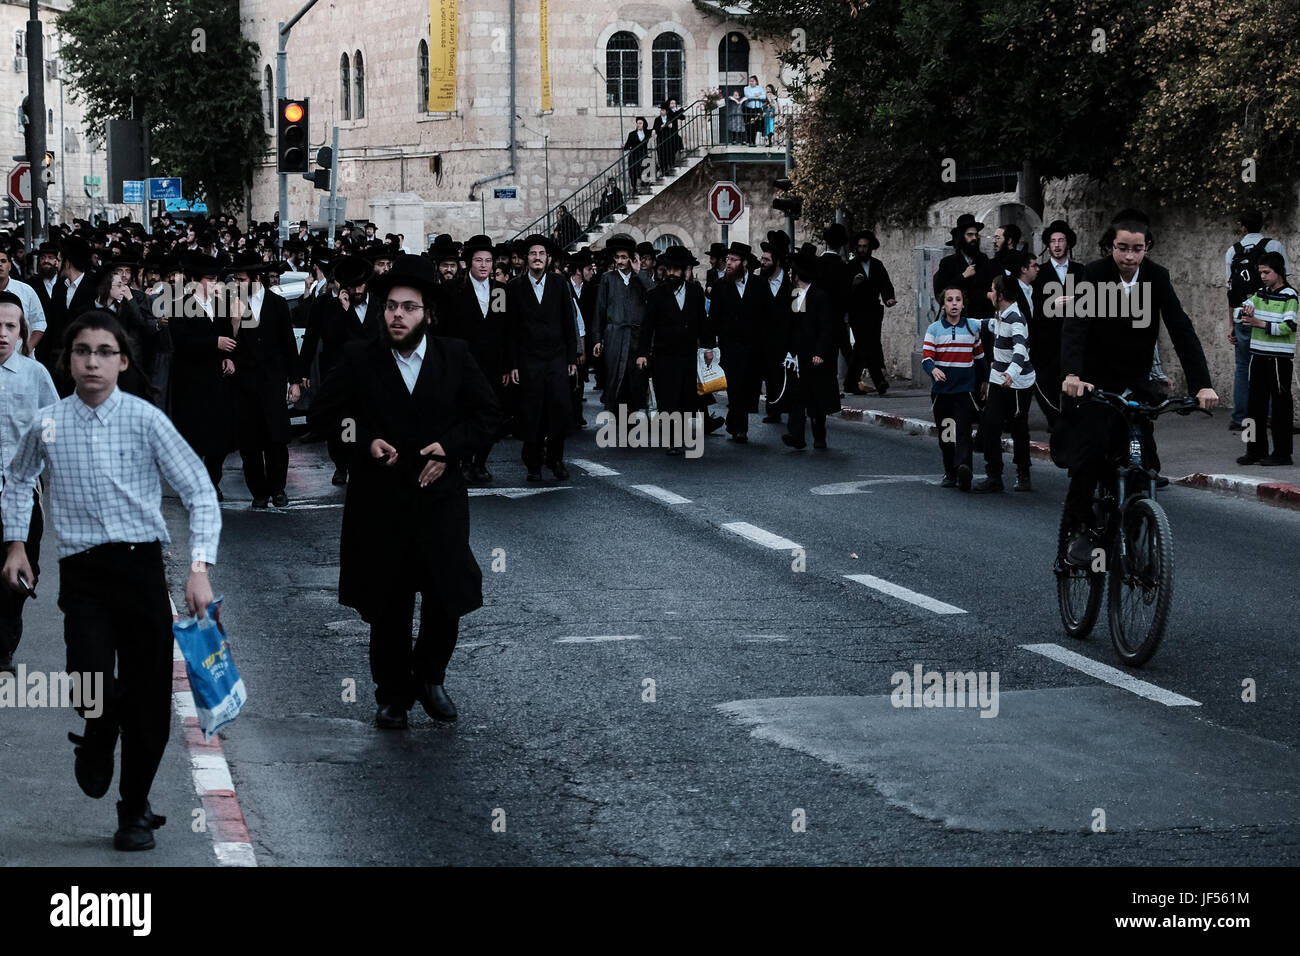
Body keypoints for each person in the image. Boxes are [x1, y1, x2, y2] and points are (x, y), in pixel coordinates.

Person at [2, 310, 221, 851]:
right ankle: (98, 733)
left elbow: (198, 490)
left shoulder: (146, 420)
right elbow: (18, 477)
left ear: (123, 361)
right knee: (88, 682)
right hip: (84, 576)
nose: (92, 361)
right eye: (82, 351)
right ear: (68, 360)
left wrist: (199, 570)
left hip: (141, 569)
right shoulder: (49, 422)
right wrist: (14, 544)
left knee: (149, 699)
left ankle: (133, 811)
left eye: (103, 351)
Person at [317, 256, 500, 729]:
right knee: (389, 603)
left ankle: (431, 676)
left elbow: (488, 417)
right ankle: (392, 695)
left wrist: (450, 451)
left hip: (439, 500)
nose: (398, 315)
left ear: (427, 314)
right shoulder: (361, 357)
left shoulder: (454, 355)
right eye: (392, 307)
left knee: (447, 594)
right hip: (381, 503)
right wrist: (363, 441)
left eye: (409, 308)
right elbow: (328, 415)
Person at [1060, 210, 1218, 566]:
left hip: (1136, 384)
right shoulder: (1095, 274)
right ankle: (1080, 530)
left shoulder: (1156, 278)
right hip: (1092, 383)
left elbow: (1181, 329)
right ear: (1110, 246)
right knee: (1090, 456)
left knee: (1144, 462)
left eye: (1137, 249)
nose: (1129, 257)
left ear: (1147, 248)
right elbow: (1076, 326)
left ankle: (1134, 536)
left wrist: (1202, 385)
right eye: (1122, 248)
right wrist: (1072, 375)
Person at [0, 291, 58, 673]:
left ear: (22, 333)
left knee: (19, 574)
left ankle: (5, 641)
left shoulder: (35, 375)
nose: (2, 334)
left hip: (21, 493)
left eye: (10, 326)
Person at [227, 253, 301, 508]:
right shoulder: (230, 305)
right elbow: (227, 346)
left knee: (276, 439)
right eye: (235, 279)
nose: (236, 283)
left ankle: (278, 489)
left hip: (272, 380)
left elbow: (288, 344)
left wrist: (294, 381)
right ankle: (258, 492)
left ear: (255, 279)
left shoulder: (277, 304)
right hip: (244, 383)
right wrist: (235, 323)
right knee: (249, 442)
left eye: (241, 279)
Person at [298, 254, 377, 485]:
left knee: (365, 424)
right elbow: (317, 338)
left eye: (361, 285)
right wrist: (345, 312)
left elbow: (374, 339)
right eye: (352, 286)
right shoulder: (326, 305)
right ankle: (341, 465)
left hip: (371, 378)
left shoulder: (379, 304)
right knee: (341, 426)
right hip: (339, 378)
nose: (357, 290)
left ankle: (361, 463)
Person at [506, 235, 579, 480]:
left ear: (548, 259)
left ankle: (556, 460)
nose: (537, 258)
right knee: (531, 412)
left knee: (558, 410)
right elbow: (511, 329)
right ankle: (533, 465)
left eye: (542, 254)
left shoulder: (560, 284)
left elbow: (569, 323)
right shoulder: (515, 287)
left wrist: (572, 358)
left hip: (557, 359)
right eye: (533, 254)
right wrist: (513, 364)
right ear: (526, 259)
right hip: (529, 360)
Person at [441, 235, 510, 482]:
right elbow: (445, 330)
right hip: (463, 364)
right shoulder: (454, 289)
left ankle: (480, 462)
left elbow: (504, 328)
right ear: (469, 262)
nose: (483, 265)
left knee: (490, 414)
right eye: (479, 260)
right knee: (462, 414)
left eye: (488, 261)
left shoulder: (500, 292)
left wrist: (506, 364)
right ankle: (464, 461)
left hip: (491, 364)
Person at [169, 253, 236, 499]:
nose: (215, 283)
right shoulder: (179, 305)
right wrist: (214, 343)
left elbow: (228, 336)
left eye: (216, 278)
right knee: (194, 438)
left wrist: (229, 357)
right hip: (191, 382)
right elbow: (182, 342)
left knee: (220, 439)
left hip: (217, 381)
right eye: (210, 278)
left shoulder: (220, 304)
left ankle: (212, 481)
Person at [636, 245, 714, 454]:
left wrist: (708, 347)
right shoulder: (656, 294)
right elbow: (647, 327)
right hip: (663, 355)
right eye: (668, 269)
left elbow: (702, 321)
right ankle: (672, 439)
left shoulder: (695, 292)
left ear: (685, 271)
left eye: (675, 270)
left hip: (687, 354)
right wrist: (642, 353)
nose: (671, 273)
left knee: (686, 397)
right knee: (667, 398)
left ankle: (682, 435)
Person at [1226, 209, 1290, 431]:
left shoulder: (1231, 252)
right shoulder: (1274, 247)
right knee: (1269, 367)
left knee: (1243, 367)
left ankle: (1240, 418)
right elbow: (1284, 284)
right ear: (1261, 224)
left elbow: (1231, 291)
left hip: (1241, 316)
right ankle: (1271, 416)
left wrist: (1231, 324)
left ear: (1242, 226)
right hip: (1267, 317)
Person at [973, 274, 1036, 493]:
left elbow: (1021, 348)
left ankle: (1023, 474)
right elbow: (991, 325)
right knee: (990, 425)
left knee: (1019, 428)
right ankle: (994, 476)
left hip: (1018, 383)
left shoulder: (1016, 318)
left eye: (992, 290)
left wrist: (1011, 372)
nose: (989, 294)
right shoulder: (1001, 315)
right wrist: (967, 323)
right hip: (999, 379)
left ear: (1000, 295)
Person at [1235, 252, 1296, 466]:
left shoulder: (1290, 296)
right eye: (1260, 272)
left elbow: (1289, 327)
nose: (1262, 276)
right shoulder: (1259, 294)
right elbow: (1238, 313)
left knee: (1280, 407)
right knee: (1254, 407)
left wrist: (1259, 323)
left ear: (1278, 272)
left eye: (1266, 272)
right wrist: (1244, 310)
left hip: (1279, 360)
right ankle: (1253, 450)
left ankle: (1282, 453)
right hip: (1258, 356)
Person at [923, 286, 985, 490]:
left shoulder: (972, 328)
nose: (954, 303)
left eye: (958, 299)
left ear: (963, 304)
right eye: (950, 300)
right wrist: (933, 370)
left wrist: (985, 381)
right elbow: (927, 358)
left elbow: (979, 357)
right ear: (943, 305)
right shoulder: (934, 329)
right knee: (946, 434)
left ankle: (964, 468)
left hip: (964, 391)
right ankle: (950, 472)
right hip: (942, 393)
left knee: (964, 431)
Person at [710, 241, 773, 442]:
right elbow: (714, 318)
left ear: (744, 263)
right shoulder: (721, 286)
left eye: (733, 260)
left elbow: (767, 315)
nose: (728, 263)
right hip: (731, 346)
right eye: (727, 259)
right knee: (735, 387)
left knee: (749, 387)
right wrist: (712, 344)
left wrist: (765, 342)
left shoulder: (760, 284)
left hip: (754, 346)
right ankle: (741, 429)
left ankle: (733, 420)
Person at [781, 247, 840, 450]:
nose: (789, 275)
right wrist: (789, 350)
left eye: (792, 272)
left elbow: (826, 328)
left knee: (816, 399)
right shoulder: (796, 294)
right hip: (798, 355)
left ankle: (819, 435)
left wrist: (819, 353)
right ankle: (796, 435)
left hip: (815, 355)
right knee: (797, 396)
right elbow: (795, 325)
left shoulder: (819, 296)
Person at [1032, 219, 1085, 428]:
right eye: (1053, 241)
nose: (1056, 245)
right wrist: (1051, 303)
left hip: (1073, 335)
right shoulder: (1041, 272)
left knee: (1073, 378)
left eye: (1061, 240)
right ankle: (1055, 419)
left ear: (1068, 243)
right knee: (1049, 380)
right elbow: (1034, 303)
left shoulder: (1080, 270)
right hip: (1048, 336)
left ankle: (1072, 418)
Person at [593, 236, 653, 413]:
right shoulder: (607, 278)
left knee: (634, 375)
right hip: (614, 335)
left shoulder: (641, 278)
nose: (620, 261)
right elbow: (600, 310)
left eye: (624, 257)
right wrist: (597, 338)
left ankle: (634, 412)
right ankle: (614, 411)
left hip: (636, 336)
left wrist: (639, 272)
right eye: (617, 257)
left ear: (632, 258)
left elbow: (654, 296)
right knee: (614, 375)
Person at [845, 230, 897, 395]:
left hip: (874, 312)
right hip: (857, 312)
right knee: (865, 345)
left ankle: (851, 382)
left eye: (865, 247)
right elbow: (843, 290)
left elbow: (885, 285)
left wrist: (889, 298)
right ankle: (878, 380)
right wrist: (853, 284)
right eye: (859, 247)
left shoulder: (877, 265)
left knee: (868, 345)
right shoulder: (851, 267)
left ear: (871, 247)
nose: (862, 250)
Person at [758, 231, 792, 422]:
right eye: (762, 259)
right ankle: (773, 409)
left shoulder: (791, 284)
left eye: (766, 259)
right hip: (766, 339)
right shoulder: (759, 283)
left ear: (777, 262)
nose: (762, 263)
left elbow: (798, 311)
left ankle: (792, 409)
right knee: (770, 375)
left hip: (786, 338)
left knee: (787, 374)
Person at [932, 214, 994, 319]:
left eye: (976, 235)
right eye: (969, 235)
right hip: (957, 319)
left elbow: (988, 286)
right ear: (961, 237)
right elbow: (941, 291)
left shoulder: (983, 259)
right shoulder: (947, 263)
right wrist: (963, 276)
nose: (974, 238)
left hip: (981, 317)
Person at [0, 247, 46, 356]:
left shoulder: (26, 291)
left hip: (22, 357)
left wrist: (28, 347)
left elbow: (39, 322)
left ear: (10, 266)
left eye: (3, 261)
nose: (0, 265)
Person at [624, 117, 651, 192]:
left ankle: (644, 182)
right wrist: (624, 146)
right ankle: (634, 188)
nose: (638, 125)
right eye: (637, 123)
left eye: (640, 123)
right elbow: (627, 146)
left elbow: (656, 130)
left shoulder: (647, 133)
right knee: (633, 172)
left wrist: (655, 131)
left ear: (643, 124)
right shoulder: (632, 134)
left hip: (643, 155)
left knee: (649, 164)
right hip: (634, 156)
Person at [742, 75, 765, 146]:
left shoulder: (760, 88)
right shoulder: (746, 88)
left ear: (756, 82)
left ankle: (754, 141)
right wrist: (757, 96)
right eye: (750, 81)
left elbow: (764, 96)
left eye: (753, 81)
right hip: (749, 108)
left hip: (758, 108)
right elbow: (748, 96)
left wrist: (758, 96)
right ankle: (750, 141)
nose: (751, 83)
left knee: (756, 125)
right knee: (750, 125)